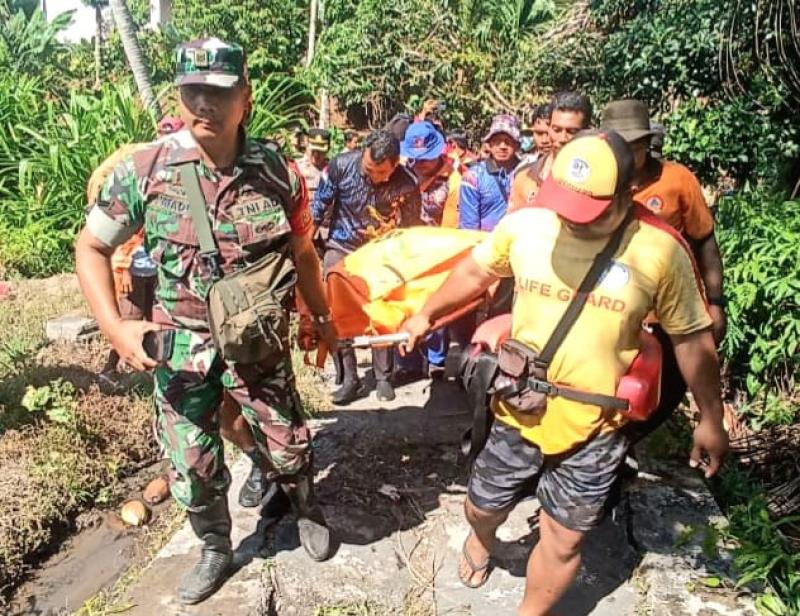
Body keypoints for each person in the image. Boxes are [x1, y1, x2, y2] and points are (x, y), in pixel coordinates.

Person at [401, 130, 728, 615]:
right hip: (518, 406)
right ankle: (482, 538)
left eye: (587, 206)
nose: (570, 218)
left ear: (624, 193)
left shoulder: (660, 251)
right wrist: (425, 313)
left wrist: (710, 417)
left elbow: (691, 340)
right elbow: (476, 272)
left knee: (564, 537)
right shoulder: (527, 225)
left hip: (598, 425)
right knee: (483, 504)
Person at [75, 38, 338, 605]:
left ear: (245, 97)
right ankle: (216, 546)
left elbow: (304, 253)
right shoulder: (143, 171)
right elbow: (91, 247)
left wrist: (320, 315)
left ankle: (304, 506)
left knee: (288, 444)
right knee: (191, 463)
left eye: (218, 93)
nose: (204, 106)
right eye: (193, 91)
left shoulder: (276, 171)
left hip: (259, 340)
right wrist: (116, 328)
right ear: (178, 94)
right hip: (182, 348)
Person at [601, 99, 727, 443]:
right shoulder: (599, 180)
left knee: (668, 388)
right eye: (620, 148)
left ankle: (631, 440)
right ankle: (610, 447)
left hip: (667, 313)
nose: (628, 157)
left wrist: (716, 302)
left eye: (635, 148)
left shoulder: (677, 180)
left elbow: (705, 242)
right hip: (611, 307)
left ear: (648, 145)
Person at [312, 129, 422, 404]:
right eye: (368, 168)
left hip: (380, 250)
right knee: (337, 311)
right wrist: (303, 250)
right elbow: (318, 208)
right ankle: (350, 378)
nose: (371, 175)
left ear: (394, 165)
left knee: (381, 312)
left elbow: (410, 227)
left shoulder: (407, 183)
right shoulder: (340, 166)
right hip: (341, 247)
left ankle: (384, 376)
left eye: (379, 172)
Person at [395, 121, 456, 378]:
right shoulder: (402, 173)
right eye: (416, 158)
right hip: (406, 249)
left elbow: (454, 221)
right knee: (404, 303)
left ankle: (436, 360)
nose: (420, 164)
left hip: (438, 251)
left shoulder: (454, 179)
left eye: (426, 159)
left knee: (434, 304)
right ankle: (407, 361)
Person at [507, 91, 592, 213]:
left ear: (587, 131)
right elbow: (511, 226)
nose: (563, 138)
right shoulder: (525, 177)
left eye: (572, 131)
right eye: (556, 130)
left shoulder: (599, 177)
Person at [458, 114, 520, 232]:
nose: (502, 146)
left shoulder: (526, 173)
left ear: (516, 145)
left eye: (508, 141)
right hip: (486, 245)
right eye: (497, 141)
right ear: (489, 145)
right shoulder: (473, 177)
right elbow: (469, 228)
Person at [297, 127, 330, 201]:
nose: (316, 155)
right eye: (313, 151)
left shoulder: (332, 170)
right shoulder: (298, 168)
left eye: (320, 151)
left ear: (327, 151)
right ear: (307, 146)